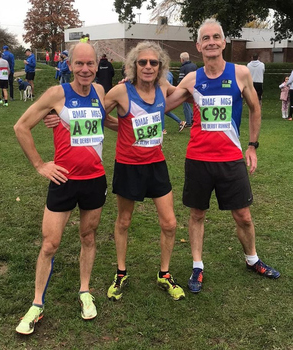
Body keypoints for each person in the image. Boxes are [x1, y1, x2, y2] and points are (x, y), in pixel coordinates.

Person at [166, 18, 280, 294]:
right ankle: (197, 265)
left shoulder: (240, 73)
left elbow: (255, 108)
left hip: (230, 159)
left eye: (216, 37)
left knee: (243, 215)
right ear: (198, 45)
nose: (211, 42)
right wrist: (136, 89)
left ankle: (252, 259)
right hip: (198, 159)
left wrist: (252, 145)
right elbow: (165, 104)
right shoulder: (192, 79)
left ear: (224, 42)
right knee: (197, 213)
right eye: (206, 38)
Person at [14, 42, 118, 335]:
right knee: (50, 243)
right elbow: (21, 127)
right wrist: (39, 164)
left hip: (95, 179)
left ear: (97, 66)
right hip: (63, 180)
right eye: (79, 64)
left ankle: (85, 291)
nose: (85, 69)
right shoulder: (57, 94)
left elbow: (103, 122)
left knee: (88, 236)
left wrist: (129, 126)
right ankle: (37, 304)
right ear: (69, 65)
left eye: (90, 64)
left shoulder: (99, 92)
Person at [104, 41, 185, 302]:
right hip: (128, 166)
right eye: (142, 62)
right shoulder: (120, 92)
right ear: (134, 66)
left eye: (153, 62)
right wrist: (122, 126)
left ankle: (164, 273)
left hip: (156, 165)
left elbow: (186, 91)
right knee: (124, 221)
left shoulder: (163, 87)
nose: (148, 66)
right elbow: (97, 115)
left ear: (160, 66)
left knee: (170, 223)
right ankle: (120, 272)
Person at [178, 52, 197, 127]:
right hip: (195, 87)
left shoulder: (183, 68)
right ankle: (193, 118)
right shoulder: (194, 66)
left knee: (186, 104)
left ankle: (188, 121)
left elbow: (181, 79)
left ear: (182, 59)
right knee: (194, 104)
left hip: (186, 88)